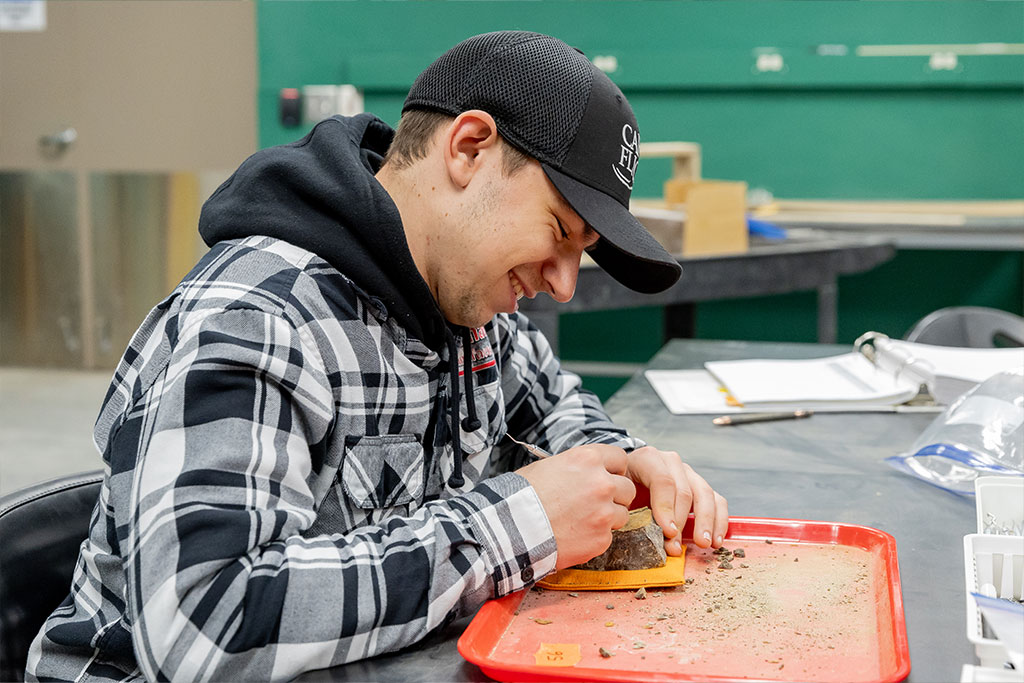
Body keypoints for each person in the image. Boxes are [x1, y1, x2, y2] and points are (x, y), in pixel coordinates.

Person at [27, 31, 727, 682]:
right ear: (470, 148)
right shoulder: (260, 313)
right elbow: (203, 622)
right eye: (559, 232)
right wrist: (516, 523)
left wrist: (625, 463)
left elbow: (552, 411)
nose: (565, 284)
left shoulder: (470, 311)